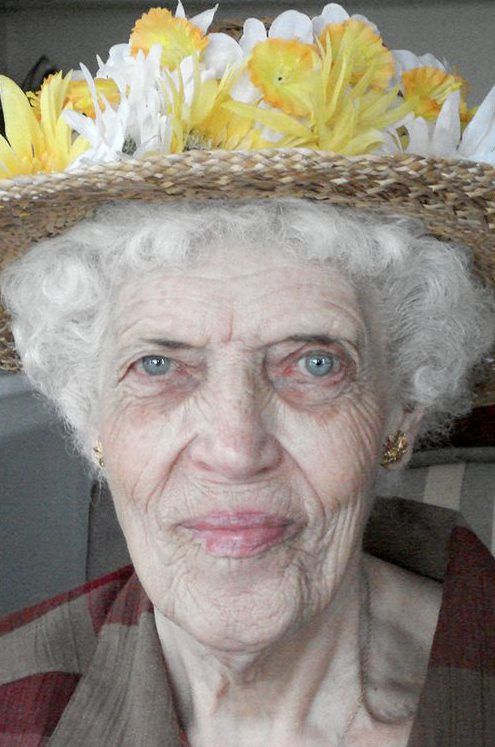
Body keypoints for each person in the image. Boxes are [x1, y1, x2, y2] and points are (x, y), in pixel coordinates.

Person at [0, 4, 494, 747]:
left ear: (401, 409)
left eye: (315, 364)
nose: (234, 449)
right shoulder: (14, 696)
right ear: (90, 419)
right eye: (158, 365)